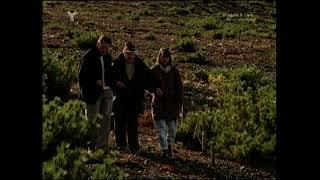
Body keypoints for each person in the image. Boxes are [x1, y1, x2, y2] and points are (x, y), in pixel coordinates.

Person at [78, 35, 115, 152]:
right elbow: (81, 76)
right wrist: (94, 81)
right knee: (92, 120)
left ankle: (102, 147)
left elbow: (111, 73)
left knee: (106, 119)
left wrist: (111, 84)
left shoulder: (108, 57)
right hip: (92, 93)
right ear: (98, 44)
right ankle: (91, 147)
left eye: (107, 48)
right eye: (102, 47)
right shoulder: (88, 57)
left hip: (107, 91)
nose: (104, 50)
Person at [113, 42, 151, 153]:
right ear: (123, 52)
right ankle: (120, 145)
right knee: (119, 123)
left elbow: (148, 77)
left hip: (134, 98)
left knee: (132, 123)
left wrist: (146, 89)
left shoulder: (140, 64)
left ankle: (133, 146)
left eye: (132, 54)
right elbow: (110, 77)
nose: (130, 56)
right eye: (128, 53)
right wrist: (116, 82)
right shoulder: (117, 63)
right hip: (120, 97)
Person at [150, 48, 183, 158]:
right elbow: (147, 83)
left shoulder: (174, 71)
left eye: (167, 57)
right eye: (163, 57)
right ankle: (164, 150)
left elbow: (180, 88)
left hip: (172, 105)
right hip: (159, 105)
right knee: (161, 129)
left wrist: (179, 103)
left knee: (172, 129)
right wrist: (154, 89)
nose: (165, 59)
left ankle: (169, 147)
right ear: (159, 57)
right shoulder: (154, 70)